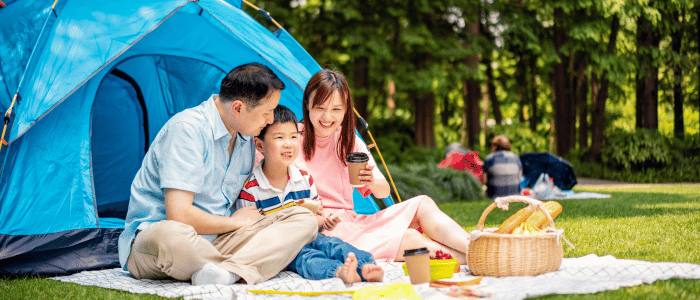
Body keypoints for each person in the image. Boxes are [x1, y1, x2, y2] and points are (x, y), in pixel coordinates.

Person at [117, 63, 318, 286]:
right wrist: (233, 223)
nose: (270, 120)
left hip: (220, 241)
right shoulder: (187, 130)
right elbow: (180, 215)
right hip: (162, 244)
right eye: (266, 112)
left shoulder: (245, 139)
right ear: (238, 108)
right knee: (171, 234)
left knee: (303, 219)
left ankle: (223, 273)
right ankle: (238, 268)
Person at [293, 69, 471, 264]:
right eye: (320, 108)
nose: (327, 117)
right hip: (325, 229)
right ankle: (477, 256)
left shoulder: (348, 140)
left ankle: (475, 248)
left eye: (336, 109)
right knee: (409, 239)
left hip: (352, 221)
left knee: (423, 203)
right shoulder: (291, 138)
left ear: (346, 109)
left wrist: (372, 181)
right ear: (307, 105)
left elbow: (383, 191)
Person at [235, 105, 384, 284]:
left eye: (293, 137)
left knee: (332, 244)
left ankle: (367, 265)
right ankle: (339, 272)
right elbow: (248, 233)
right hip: (283, 246)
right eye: (279, 138)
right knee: (307, 259)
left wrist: (325, 223)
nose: (288, 144)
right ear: (260, 145)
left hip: (310, 234)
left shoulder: (304, 179)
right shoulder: (252, 190)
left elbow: (315, 219)